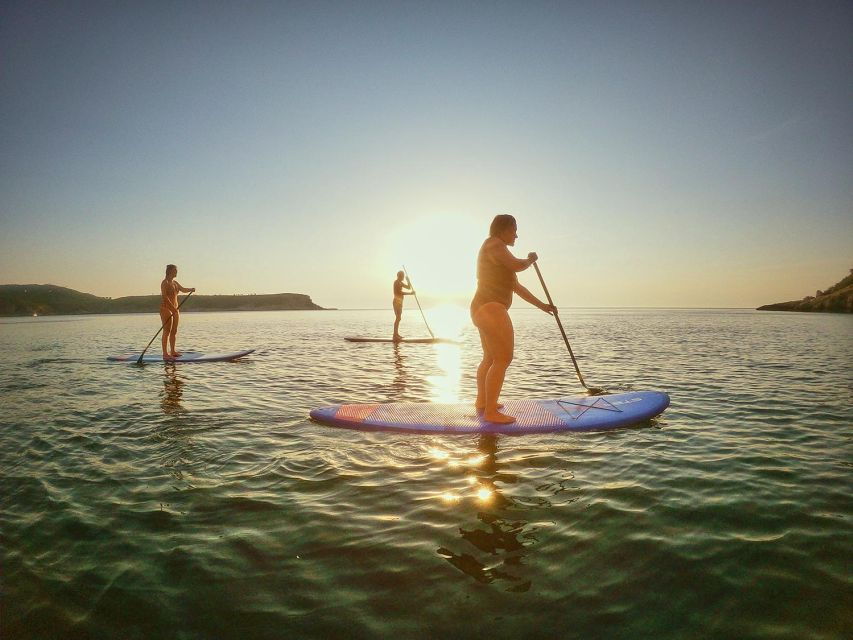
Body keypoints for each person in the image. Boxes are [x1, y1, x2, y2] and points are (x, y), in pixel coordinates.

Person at [470, 215, 555, 424]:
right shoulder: (495, 244)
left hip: (482, 308)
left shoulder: (499, 256)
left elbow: (517, 288)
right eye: (514, 229)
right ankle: (490, 411)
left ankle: (483, 403)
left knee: (490, 358)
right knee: (503, 359)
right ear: (503, 229)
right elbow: (517, 264)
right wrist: (529, 260)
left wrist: (543, 306)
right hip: (491, 308)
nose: (516, 235)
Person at [160, 264, 195, 360]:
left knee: (174, 331)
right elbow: (165, 297)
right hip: (166, 309)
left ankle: (173, 351)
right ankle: (165, 354)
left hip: (175, 309)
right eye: (175, 270)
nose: (176, 272)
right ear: (170, 271)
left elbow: (183, 289)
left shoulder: (175, 283)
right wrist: (172, 308)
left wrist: (190, 289)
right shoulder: (165, 283)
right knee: (166, 330)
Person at [392, 270, 414, 341]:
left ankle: (396, 334)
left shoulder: (400, 283)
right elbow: (399, 292)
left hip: (400, 302)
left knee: (399, 318)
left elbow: (408, 287)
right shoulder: (396, 282)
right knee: (398, 318)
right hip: (396, 302)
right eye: (403, 276)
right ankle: (394, 335)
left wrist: (408, 280)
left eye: (404, 276)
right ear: (399, 276)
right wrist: (410, 294)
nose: (403, 277)